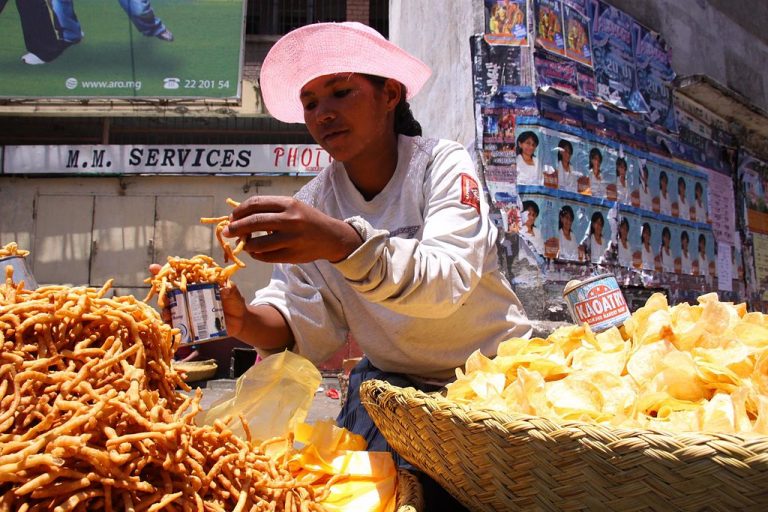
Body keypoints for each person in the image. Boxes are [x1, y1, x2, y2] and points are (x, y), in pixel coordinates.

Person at [213, 22, 531, 480]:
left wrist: (344, 244)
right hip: (395, 389)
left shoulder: (441, 165)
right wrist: (242, 320)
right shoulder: (315, 203)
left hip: (494, 380)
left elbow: (446, 283)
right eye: (310, 103)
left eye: (341, 93)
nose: (323, 114)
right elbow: (305, 326)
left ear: (390, 95)